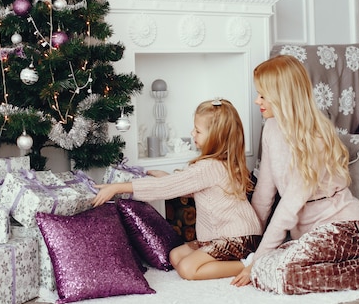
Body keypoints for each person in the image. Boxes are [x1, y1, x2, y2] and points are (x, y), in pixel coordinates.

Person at [231, 54, 359, 294]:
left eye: (263, 95)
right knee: (267, 266)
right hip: (309, 238)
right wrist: (251, 242)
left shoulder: (314, 138)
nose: (257, 100)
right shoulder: (271, 129)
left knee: (284, 276)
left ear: (282, 96)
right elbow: (264, 193)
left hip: (347, 231)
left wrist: (257, 261)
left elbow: (289, 205)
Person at [93, 99, 262, 280]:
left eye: (197, 131)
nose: (192, 133)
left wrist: (118, 188)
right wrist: (165, 176)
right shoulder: (219, 164)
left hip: (238, 237)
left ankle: (249, 265)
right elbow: (187, 186)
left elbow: (167, 188)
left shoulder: (209, 166)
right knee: (176, 256)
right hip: (220, 236)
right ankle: (231, 263)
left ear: (215, 137)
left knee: (187, 269)